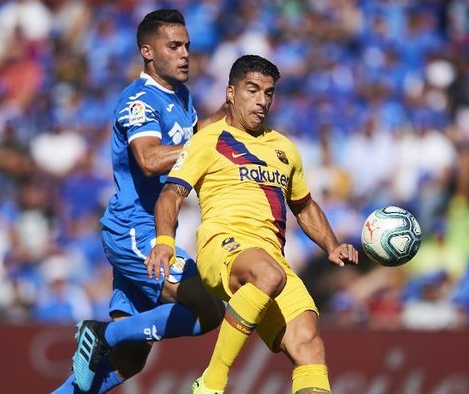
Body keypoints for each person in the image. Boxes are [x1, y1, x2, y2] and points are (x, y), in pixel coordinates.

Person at [145, 55, 359, 394]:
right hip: (223, 246)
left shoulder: (284, 148)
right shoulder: (209, 139)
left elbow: (304, 206)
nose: (262, 100)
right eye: (252, 90)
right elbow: (171, 194)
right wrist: (165, 242)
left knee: (309, 347)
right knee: (268, 273)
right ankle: (212, 382)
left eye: (269, 93)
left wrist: (331, 245)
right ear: (231, 93)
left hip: (271, 260)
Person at [55, 9, 225, 393]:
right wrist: (203, 147)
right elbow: (149, 159)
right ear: (148, 51)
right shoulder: (138, 101)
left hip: (154, 231)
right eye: (174, 46)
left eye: (187, 46)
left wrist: (231, 115)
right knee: (209, 308)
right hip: (135, 231)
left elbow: (194, 133)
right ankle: (102, 333)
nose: (185, 54)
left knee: (130, 360)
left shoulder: (180, 94)